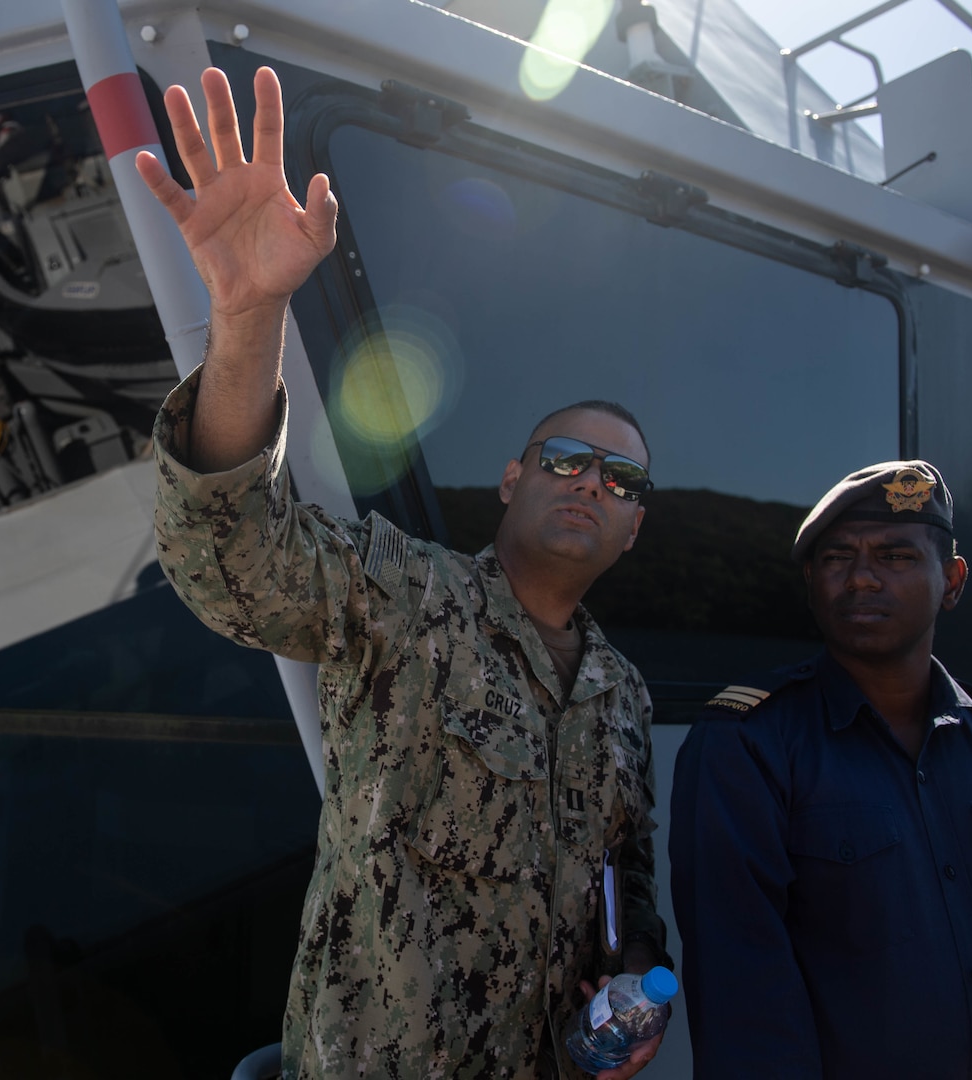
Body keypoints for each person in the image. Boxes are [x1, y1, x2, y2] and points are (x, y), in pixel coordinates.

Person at [138, 67, 669, 1079]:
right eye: (564, 459)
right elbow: (226, 558)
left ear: (633, 527)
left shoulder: (622, 701)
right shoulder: (406, 599)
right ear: (512, 480)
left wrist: (637, 970)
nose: (588, 484)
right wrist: (248, 316)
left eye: (621, 479)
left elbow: (623, 882)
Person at [671, 461, 972, 1079]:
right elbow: (743, 999)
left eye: (895, 556)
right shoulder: (749, 746)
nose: (861, 578)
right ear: (810, 580)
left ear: (953, 580)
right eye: (837, 558)